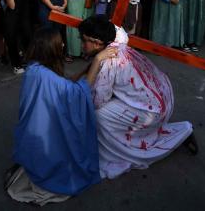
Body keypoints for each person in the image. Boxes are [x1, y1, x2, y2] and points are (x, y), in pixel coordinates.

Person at [77, 15, 196, 179]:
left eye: (83, 40)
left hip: (153, 112)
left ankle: (115, 155)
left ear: (97, 42)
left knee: (97, 114)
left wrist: (96, 62)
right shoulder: (120, 45)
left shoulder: (108, 60)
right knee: (111, 105)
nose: (81, 44)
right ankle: (181, 130)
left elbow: (97, 101)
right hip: (165, 100)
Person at [5, 27, 104, 205]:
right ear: (51, 48)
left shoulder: (35, 68)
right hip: (45, 140)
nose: (64, 44)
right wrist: (97, 61)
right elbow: (78, 94)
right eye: (61, 42)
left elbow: (64, 84)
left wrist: (84, 71)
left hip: (31, 133)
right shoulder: (47, 77)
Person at [3, 0, 32, 73]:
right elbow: (12, 6)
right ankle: (16, 65)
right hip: (12, 16)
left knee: (28, 38)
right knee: (12, 40)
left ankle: (29, 62)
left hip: (24, 15)